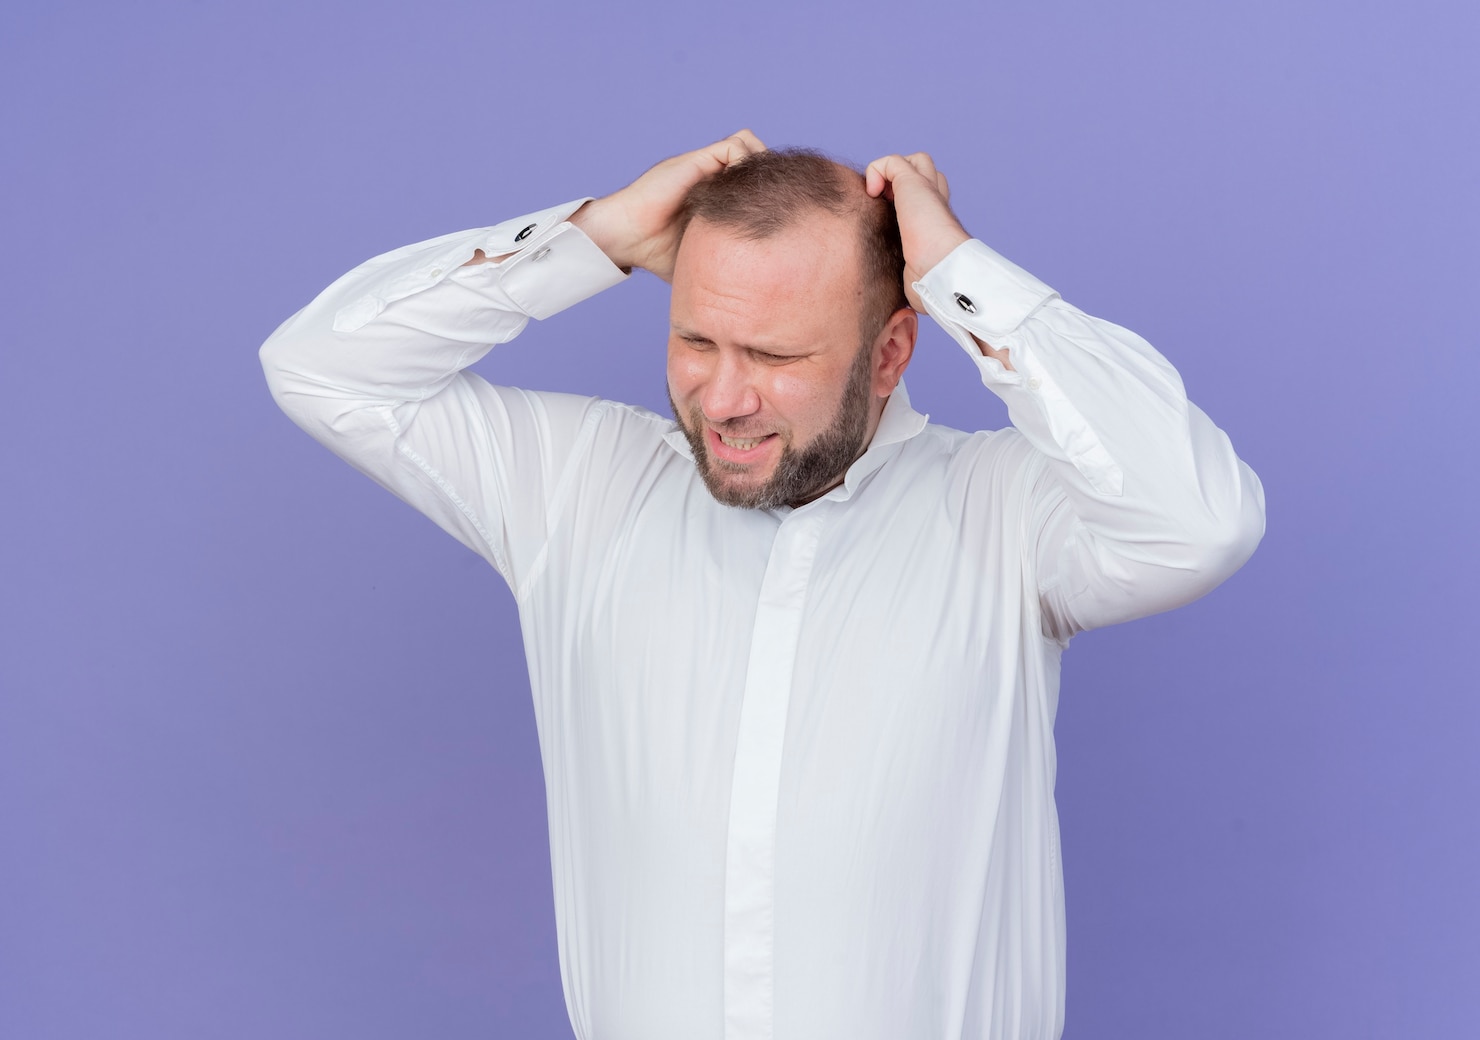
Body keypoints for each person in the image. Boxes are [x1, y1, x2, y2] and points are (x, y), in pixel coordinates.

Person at [259, 130, 1265, 1040]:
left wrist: (958, 272)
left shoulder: (1006, 513)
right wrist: (595, 236)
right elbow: (320, 367)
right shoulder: (575, 489)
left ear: (892, 351)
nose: (724, 398)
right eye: (697, 342)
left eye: (777, 355)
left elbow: (1199, 520)